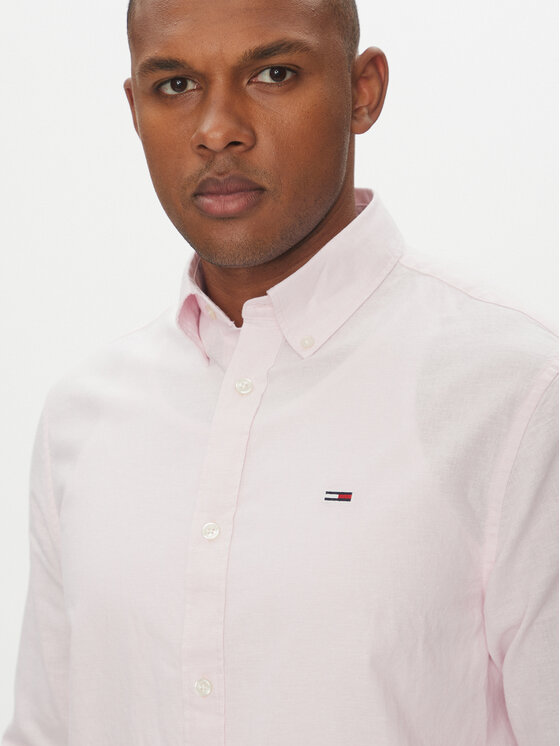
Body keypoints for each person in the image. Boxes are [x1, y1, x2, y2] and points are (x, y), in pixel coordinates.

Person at [2, 0, 557, 743]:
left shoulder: (518, 396)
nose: (217, 129)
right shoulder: (82, 419)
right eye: (175, 85)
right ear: (135, 108)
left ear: (363, 92)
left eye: (273, 74)